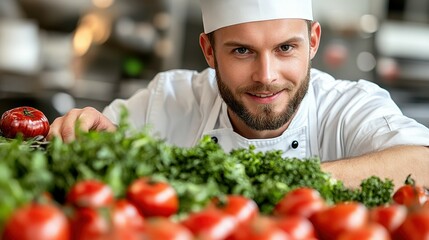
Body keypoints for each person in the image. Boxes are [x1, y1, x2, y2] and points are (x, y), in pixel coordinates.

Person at [48, 0, 429, 190]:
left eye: (285, 49)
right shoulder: (167, 100)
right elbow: (102, 139)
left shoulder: (347, 107)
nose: (266, 77)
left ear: (312, 42)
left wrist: (282, 181)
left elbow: (422, 162)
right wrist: (85, 130)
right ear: (209, 51)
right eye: (242, 51)